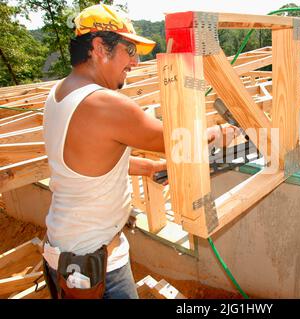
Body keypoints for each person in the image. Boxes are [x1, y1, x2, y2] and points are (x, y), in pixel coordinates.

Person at [42, 4, 237, 299]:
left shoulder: (60, 93)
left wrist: (150, 167)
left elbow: (91, 161)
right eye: (129, 50)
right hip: (95, 267)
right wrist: (220, 133)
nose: (134, 62)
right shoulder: (104, 104)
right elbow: (180, 140)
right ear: (99, 48)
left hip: (63, 252)